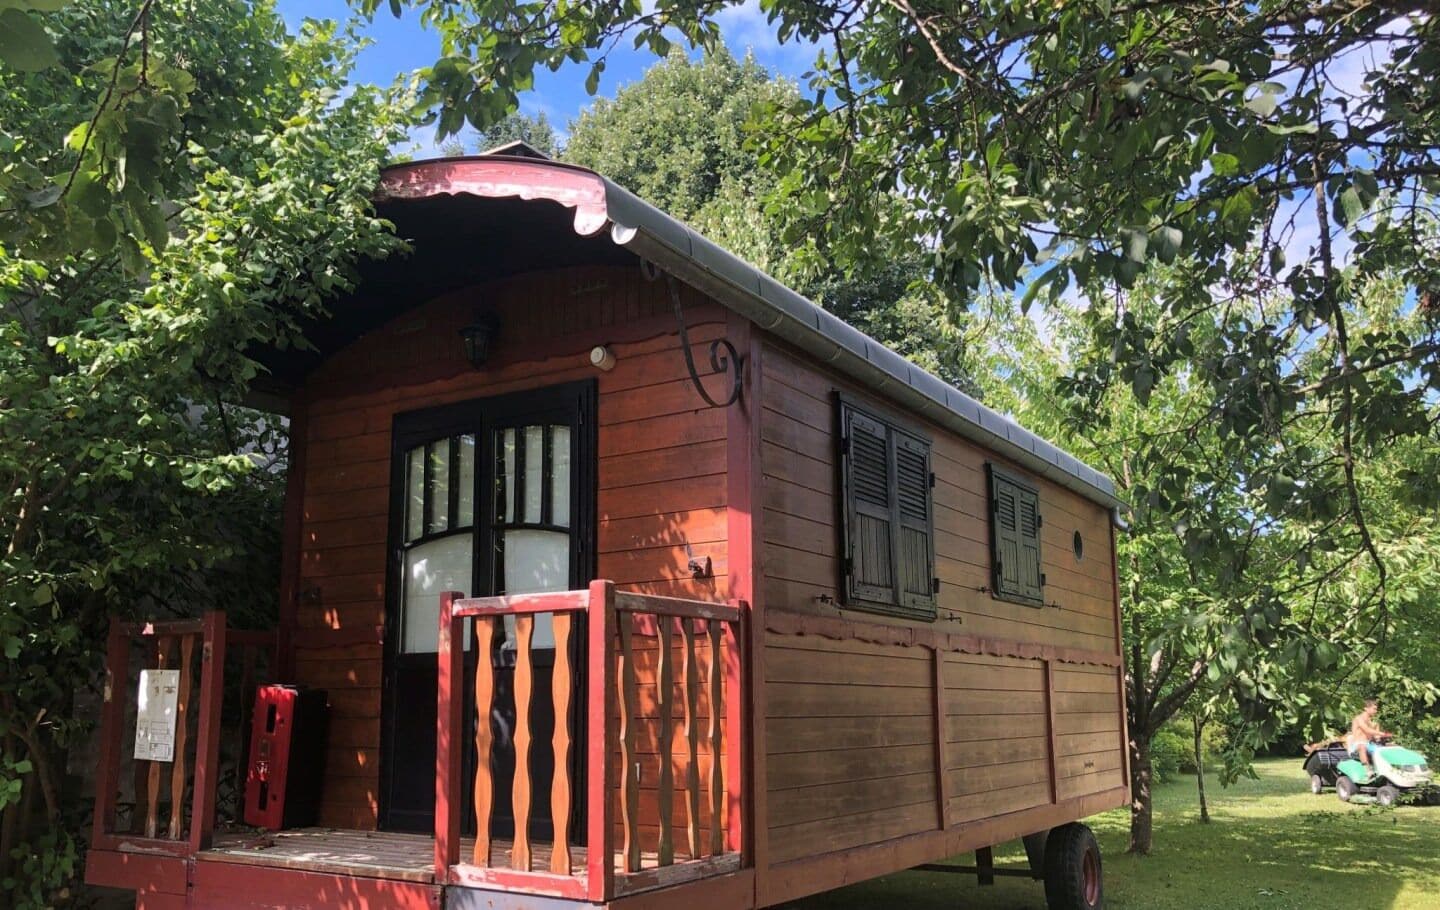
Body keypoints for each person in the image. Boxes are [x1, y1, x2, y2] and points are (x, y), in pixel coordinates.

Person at [1346, 698, 1392, 771]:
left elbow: (1377, 737)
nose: (1376, 711)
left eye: (1376, 709)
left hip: (1369, 744)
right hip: (1357, 745)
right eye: (1374, 709)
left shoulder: (1374, 723)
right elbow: (1367, 730)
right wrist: (1383, 733)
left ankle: (1390, 770)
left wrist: (1383, 738)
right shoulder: (1358, 719)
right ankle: (1367, 770)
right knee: (1362, 746)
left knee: (1390, 749)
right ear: (1366, 708)